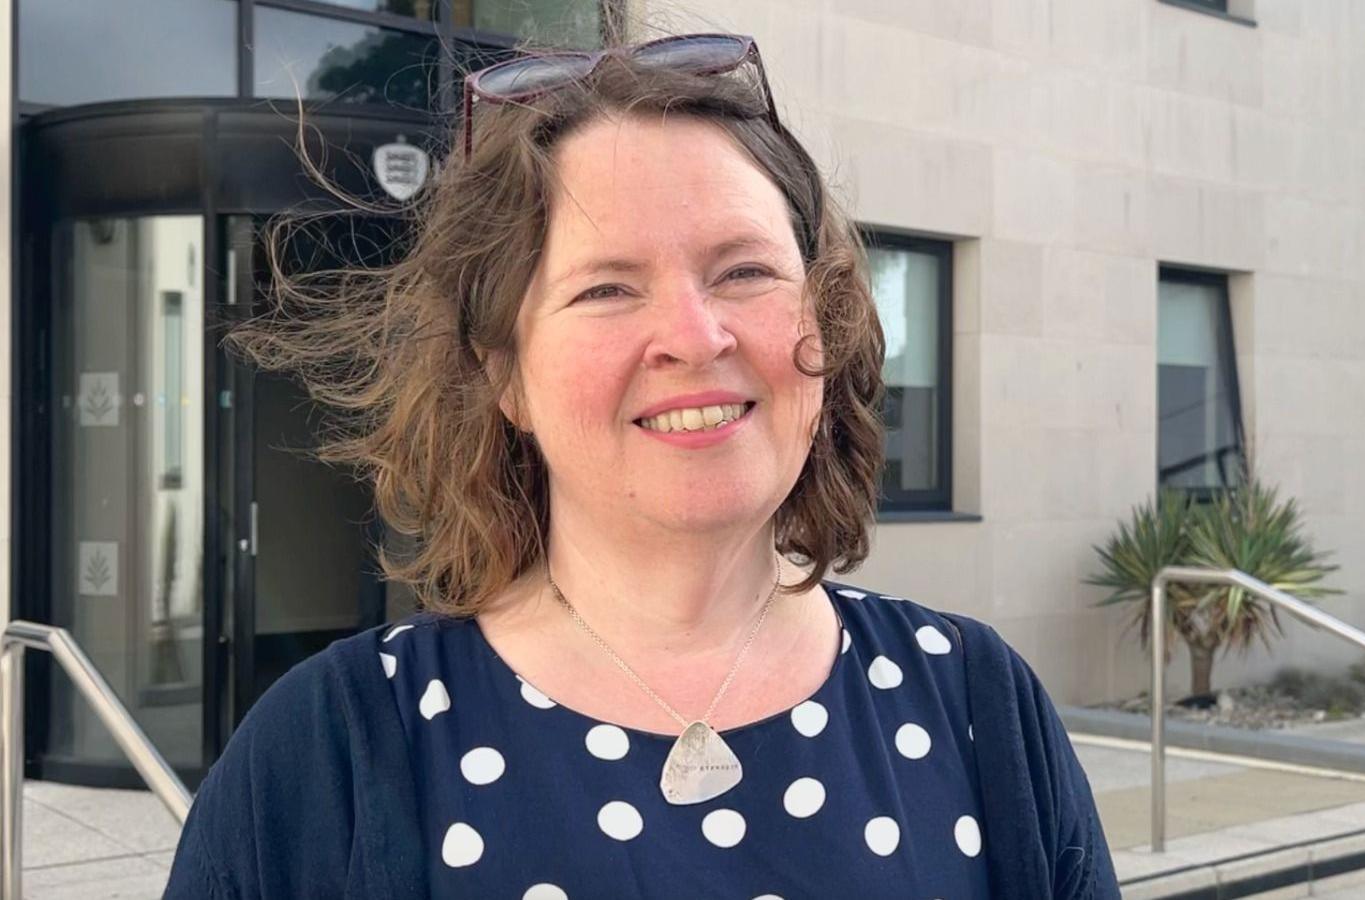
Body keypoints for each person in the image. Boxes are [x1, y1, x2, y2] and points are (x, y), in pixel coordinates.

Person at [163, 32, 1118, 900]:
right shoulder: (328, 752)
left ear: (821, 321)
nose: (695, 338)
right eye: (608, 287)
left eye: (743, 271)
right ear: (506, 375)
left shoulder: (979, 707)